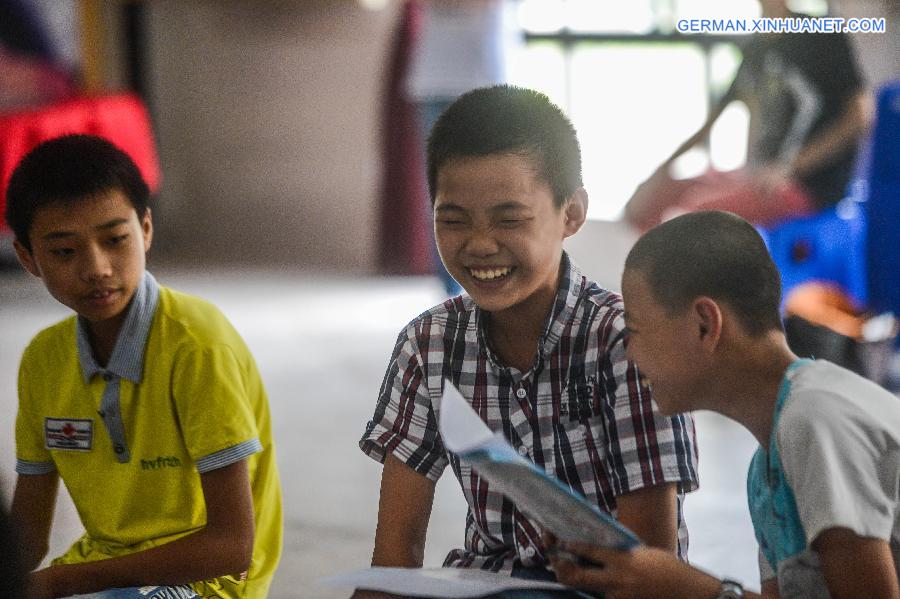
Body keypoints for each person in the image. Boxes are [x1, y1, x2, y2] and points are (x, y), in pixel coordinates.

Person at [358, 85, 698, 598]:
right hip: (485, 586)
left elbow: (653, 567)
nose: (479, 245)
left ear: (572, 214)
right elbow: (395, 558)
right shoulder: (427, 345)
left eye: (509, 219)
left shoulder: (628, 346)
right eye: (452, 220)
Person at [549, 210, 900, 599]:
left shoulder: (816, 419)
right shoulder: (766, 466)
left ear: (705, 323)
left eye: (634, 331)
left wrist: (694, 590)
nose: (629, 354)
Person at [5, 134, 282, 599]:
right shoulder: (43, 359)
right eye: (64, 251)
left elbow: (231, 546)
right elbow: (28, 537)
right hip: (103, 567)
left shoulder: (196, 344)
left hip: (207, 582)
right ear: (28, 258)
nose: (97, 268)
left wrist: (62, 581)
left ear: (146, 229)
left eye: (115, 240)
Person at [624, 0, 872, 232]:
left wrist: (788, 168)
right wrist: (660, 171)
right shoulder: (756, 47)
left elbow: (858, 118)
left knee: (692, 219)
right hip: (756, 176)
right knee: (646, 204)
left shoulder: (821, 36)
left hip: (809, 185)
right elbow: (710, 122)